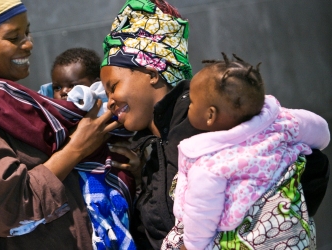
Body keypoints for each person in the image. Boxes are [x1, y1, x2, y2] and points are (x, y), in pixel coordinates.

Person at [99, 0, 330, 249]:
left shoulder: (207, 118)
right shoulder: (146, 147)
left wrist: (262, 230)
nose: (109, 102)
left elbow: (312, 165)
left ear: (152, 73)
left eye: (113, 88)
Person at [0, 0, 120, 249]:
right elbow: (7, 208)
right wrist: (76, 148)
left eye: (27, 32)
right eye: (14, 37)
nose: (28, 44)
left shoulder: (14, 102)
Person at [162, 53, 330, 249]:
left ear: (210, 115)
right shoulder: (282, 122)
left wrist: (191, 245)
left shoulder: (210, 164)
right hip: (285, 233)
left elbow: (201, 215)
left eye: (191, 102)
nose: (188, 107)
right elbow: (321, 132)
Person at [39, 47, 138, 249]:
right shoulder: (52, 123)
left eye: (74, 85)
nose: (65, 92)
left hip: (113, 186)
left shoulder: (112, 116)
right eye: (58, 87)